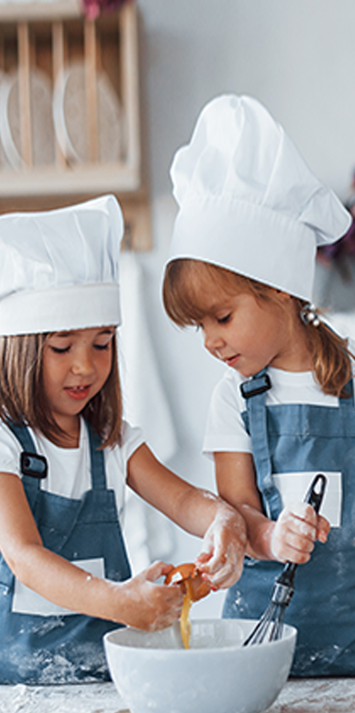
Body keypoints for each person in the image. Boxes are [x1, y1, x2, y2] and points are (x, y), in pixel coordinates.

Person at [162, 94, 355, 676]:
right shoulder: (232, 398)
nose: (210, 342)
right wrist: (273, 538)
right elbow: (237, 514)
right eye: (198, 326)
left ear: (279, 290)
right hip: (257, 658)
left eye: (221, 318)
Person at [0, 195, 247, 685]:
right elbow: (23, 554)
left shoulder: (111, 442)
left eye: (102, 343)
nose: (85, 366)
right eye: (61, 347)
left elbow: (181, 498)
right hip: (17, 689)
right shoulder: (5, 443)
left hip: (108, 677)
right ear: (19, 347)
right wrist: (118, 601)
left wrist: (224, 523)